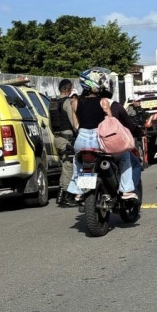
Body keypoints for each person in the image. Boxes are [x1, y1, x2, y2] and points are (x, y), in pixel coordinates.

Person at [64, 67, 142, 201]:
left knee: (78, 162)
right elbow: (110, 125)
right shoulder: (103, 102)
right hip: (98, 141)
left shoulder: (75, 103)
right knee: (124, 158)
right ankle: (126, 190)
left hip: (81, 141)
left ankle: (78, 191)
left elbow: (76, 126)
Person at [53, 79, 79, 207]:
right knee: (69, 165)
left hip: (56, 138)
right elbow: (74, 123)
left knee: (65, 165)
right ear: (69, 89)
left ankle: (60, 195)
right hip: (66, 139)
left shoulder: (52, 102)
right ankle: (67, 196)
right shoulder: (67, 102)